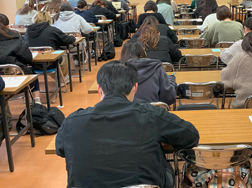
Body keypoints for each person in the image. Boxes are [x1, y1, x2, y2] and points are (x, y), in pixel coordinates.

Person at [56, 60, 199, 188]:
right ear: (135, 88)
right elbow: (191, 135)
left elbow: (61, 149)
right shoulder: (151, 114)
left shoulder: (72, 121)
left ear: (99, 89)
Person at [120, 39, 177, 105]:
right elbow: (169, 98)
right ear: (143, 50)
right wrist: (171, 81)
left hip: (125, 114)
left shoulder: (116, 72)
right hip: (151, 113)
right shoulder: (156, 68)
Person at [0, 14, 41, 104]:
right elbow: (27, 57)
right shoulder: (15, 38)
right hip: (17, 80)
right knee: (32, 74)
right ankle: (37, 102)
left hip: (1, 83)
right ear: (7, 25)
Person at [25, 11, 76, 79]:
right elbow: (67, 40)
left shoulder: (28, 32)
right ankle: (62, 79)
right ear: (49, 19)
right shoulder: (52, 30)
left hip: (33, 64)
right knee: (64, 54)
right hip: (51, 63)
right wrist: (72, 36)